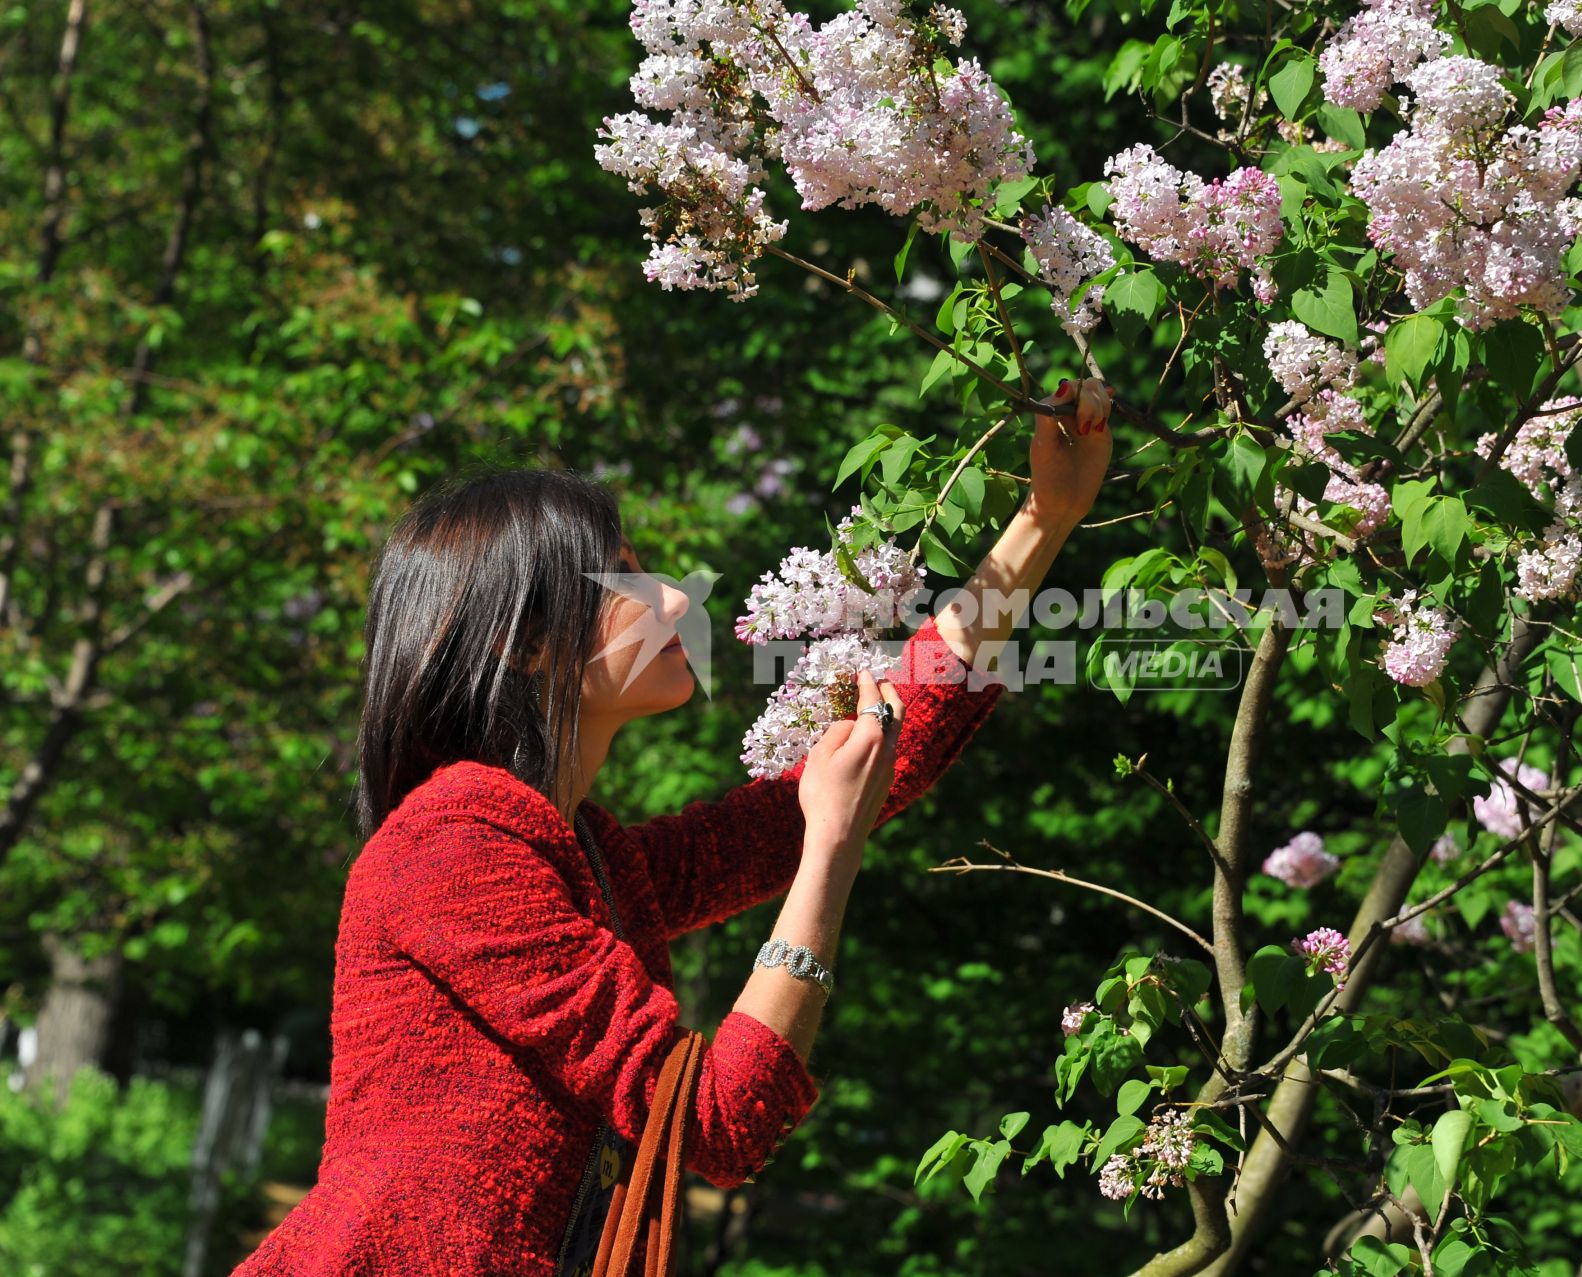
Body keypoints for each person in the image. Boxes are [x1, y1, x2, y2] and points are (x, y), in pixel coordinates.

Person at [232, 378, 1114, 1275]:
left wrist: (1045, 516)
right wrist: (829, 855)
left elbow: (880, 756)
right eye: (628, 578)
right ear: (524, 642)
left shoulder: (589, 859)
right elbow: (717, 1116)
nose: (679, 604)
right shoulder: (454, 845)